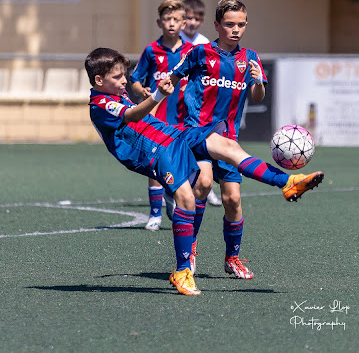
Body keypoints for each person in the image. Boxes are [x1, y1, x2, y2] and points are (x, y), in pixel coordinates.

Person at [85, 47, 324, 295]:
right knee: (186, 199)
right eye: (117, 77)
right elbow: (133, 116)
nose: (124, 80)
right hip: (155, 152)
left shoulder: (116, 93)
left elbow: (140, 115)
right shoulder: (100, 104)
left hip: (171, 135)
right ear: (99, 80)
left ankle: (287, 182)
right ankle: (182, 271)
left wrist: (155, 98)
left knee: (228, 146)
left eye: (124, 75)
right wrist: (157, 95)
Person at [168, 0, 267, 280]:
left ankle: (232, 258)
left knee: (232, 199)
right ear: (216, 25)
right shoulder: (200, 53)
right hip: (198, 134)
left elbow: (258, 95)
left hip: (228, 140)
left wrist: (257, 81)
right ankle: (190, 249)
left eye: (241, 24)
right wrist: (162, 94)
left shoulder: (250, 58)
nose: (236, 29)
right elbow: (174, 76)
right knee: (203, 183)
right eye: (229, 24)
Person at [129, 0, 193, 231]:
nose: (171, 23)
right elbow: (135, 79)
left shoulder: (191, 51)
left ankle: (173, 196)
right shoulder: (151, 51)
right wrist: (142, 91)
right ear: (159, 22)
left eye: (176, 19)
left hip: (186, 118)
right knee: (154, 164)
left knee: (184, 166)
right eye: (167, 19)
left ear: (184, 23)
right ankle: (155, 214)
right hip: (157, 118)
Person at [177, 0, 223, 207]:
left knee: (202, 145)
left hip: (196, 105)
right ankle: (172, 189)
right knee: (177, 146)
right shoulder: (174, 40)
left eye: (197, 19)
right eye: (189, 18)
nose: (192, 23)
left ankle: (206, 187)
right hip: (174, 103)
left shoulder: (204, 42)